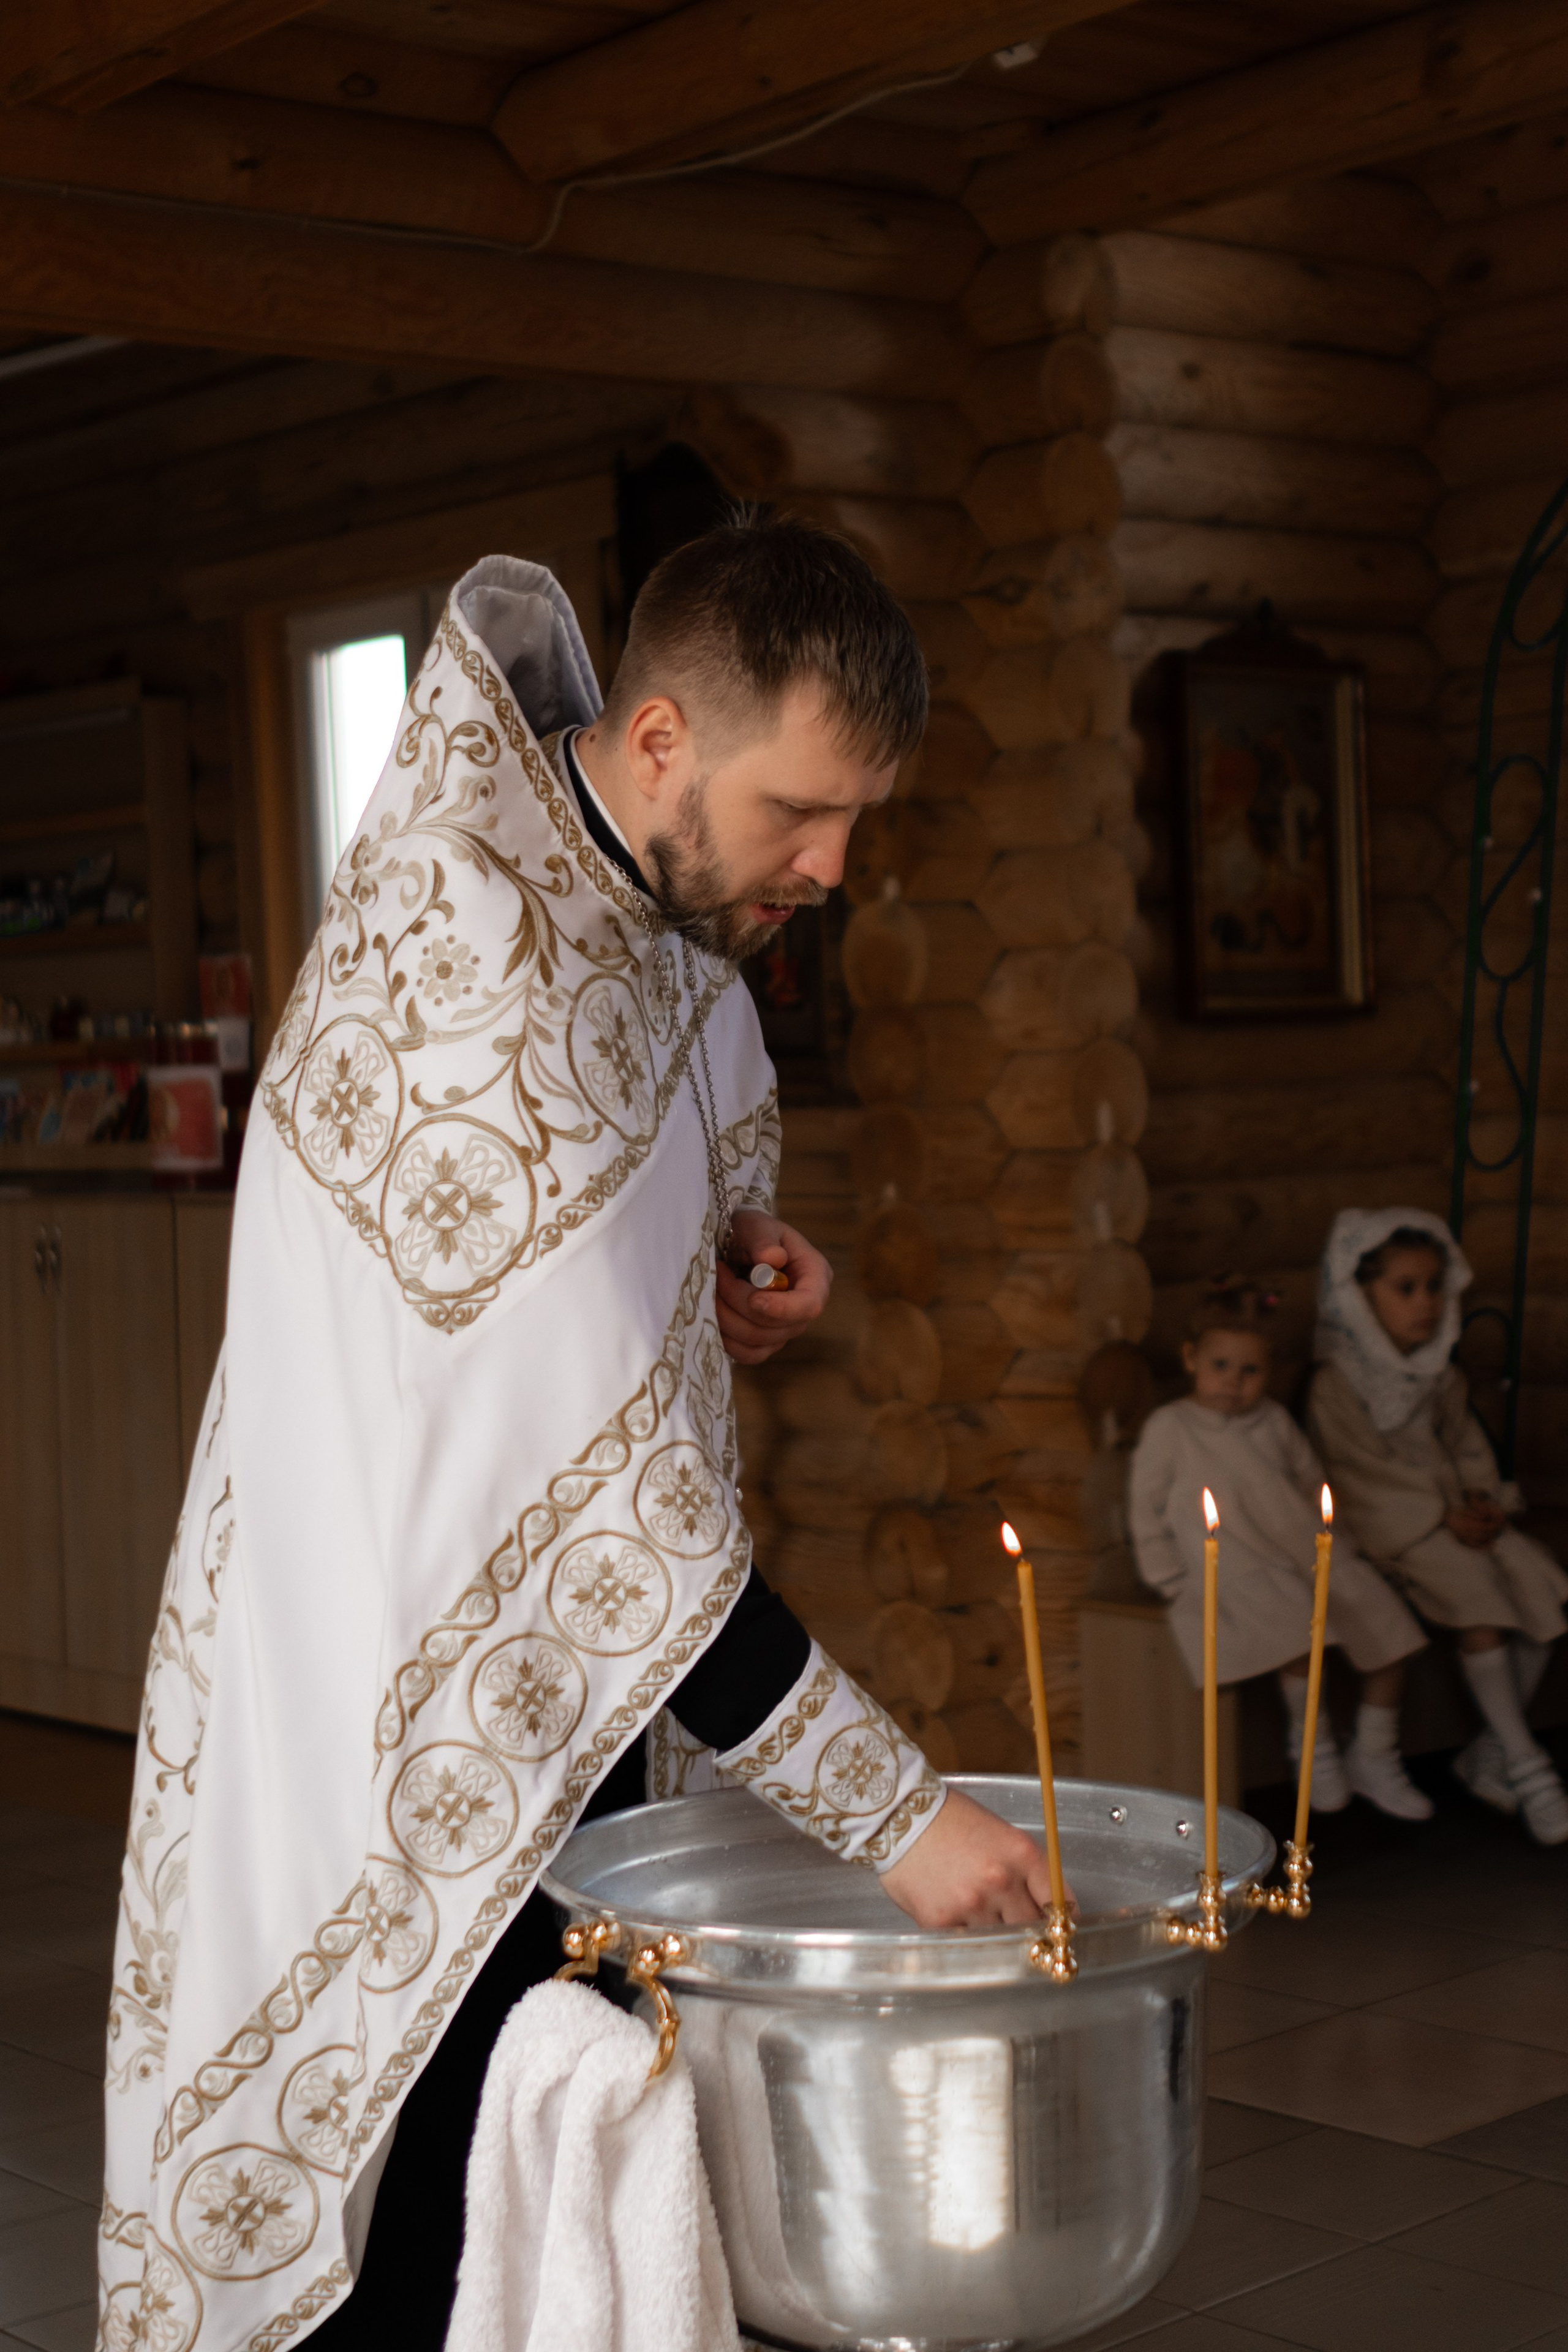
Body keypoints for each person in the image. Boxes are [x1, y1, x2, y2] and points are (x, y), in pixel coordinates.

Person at [99, 522, 1054, 2352]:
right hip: (394, 1715)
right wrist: (897, 1816)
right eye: (805, 810)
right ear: (668, 738)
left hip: (590, 1696)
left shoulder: (656, 893)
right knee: (411, 2222)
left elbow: (709, 1084)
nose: (834, 866)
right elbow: (609, 1518)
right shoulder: (469, 969)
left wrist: (737, 1238)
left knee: (542, 2208)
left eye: (859, 817)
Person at [1308, 1207, 1568, 1845]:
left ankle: (1489, 1751)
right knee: (1480, 1602)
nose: (1424, 1302)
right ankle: (1531, 1767)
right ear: (1357, 1293)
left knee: (1544, 1586)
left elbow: (1466, 1445)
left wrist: (1483, 1501)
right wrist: (1436, 1514)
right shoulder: (1335, 1385)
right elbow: (1357, 1476)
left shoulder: (1437, 1374)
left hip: (1453, 1521)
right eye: (1405, 1288)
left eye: (1433, 1287)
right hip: (1395, 1531)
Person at [1129, 1279, 1430, 1819]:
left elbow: (1309, 1481)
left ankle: (1375, 1753)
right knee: (1300, 1633)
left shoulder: (1272, 1420)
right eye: (1221, 1366)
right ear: (1192, 1359)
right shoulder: (1172, 1427)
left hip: (1300, 1548)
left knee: (1390, 1632)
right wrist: (1168, 1576)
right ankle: (1312, 1749)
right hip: (1233, 1561)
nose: (1234, 1383)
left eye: (1250, 1371)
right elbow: (1143, 1505)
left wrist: (1336, 1544)